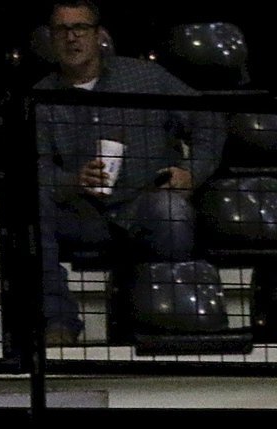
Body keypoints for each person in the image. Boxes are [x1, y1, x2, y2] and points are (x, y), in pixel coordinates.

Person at [34, 1, 225, 346]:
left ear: (98, 35)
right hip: (84, 215)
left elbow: (208, 120)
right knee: (31, 207)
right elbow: (37, 168)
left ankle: (162, 320)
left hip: (145, 203)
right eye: (62, 30)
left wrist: (192, 172)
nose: (72, 37)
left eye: (80, 28)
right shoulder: (41, 97)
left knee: (171, 212)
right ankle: (59, 321)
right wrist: (72, 179)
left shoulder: (144, 78)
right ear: (50, 38)